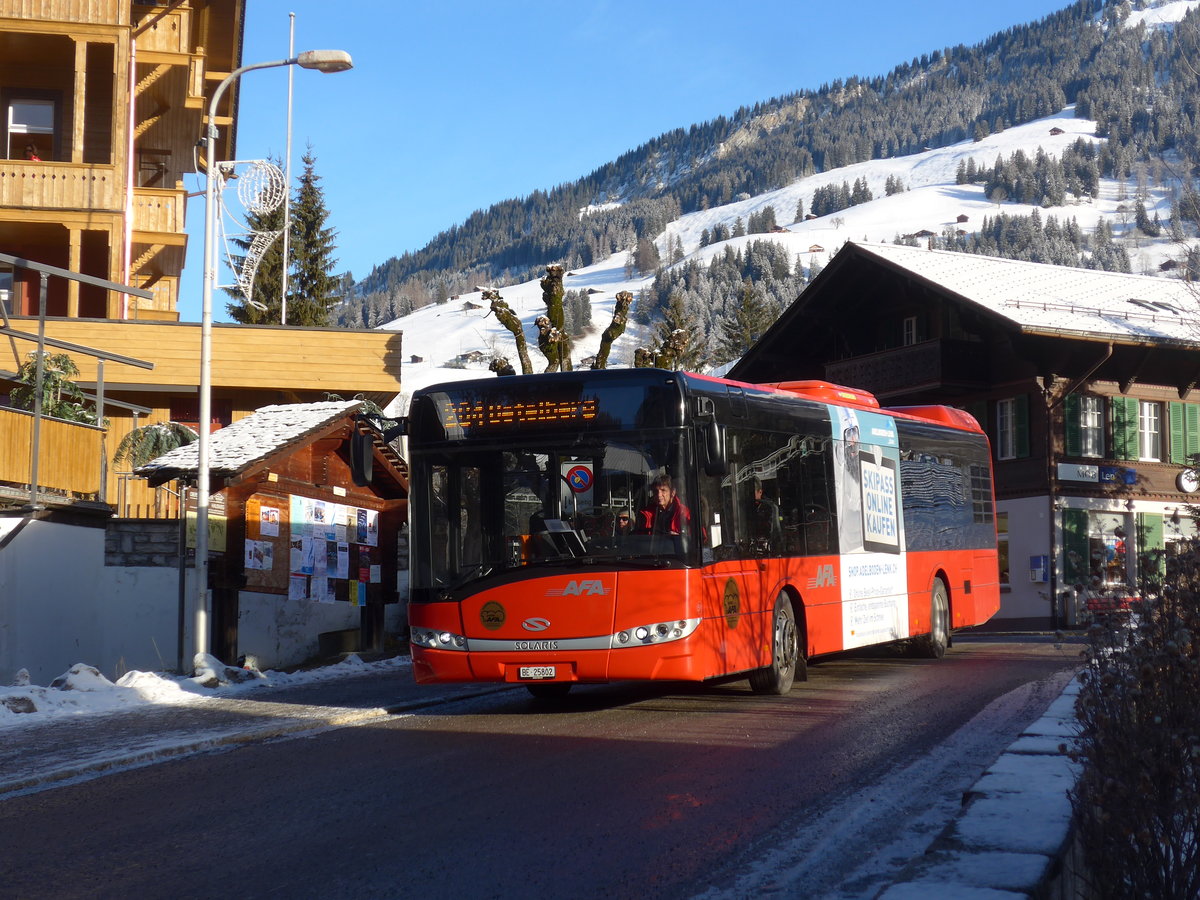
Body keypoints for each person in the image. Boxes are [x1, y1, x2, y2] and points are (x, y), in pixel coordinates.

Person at [750, 477, 783, 547]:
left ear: (760, 492)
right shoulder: (742, 509)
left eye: (752, 493)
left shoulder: (771, 508)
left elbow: (776, 533)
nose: (749, 497)